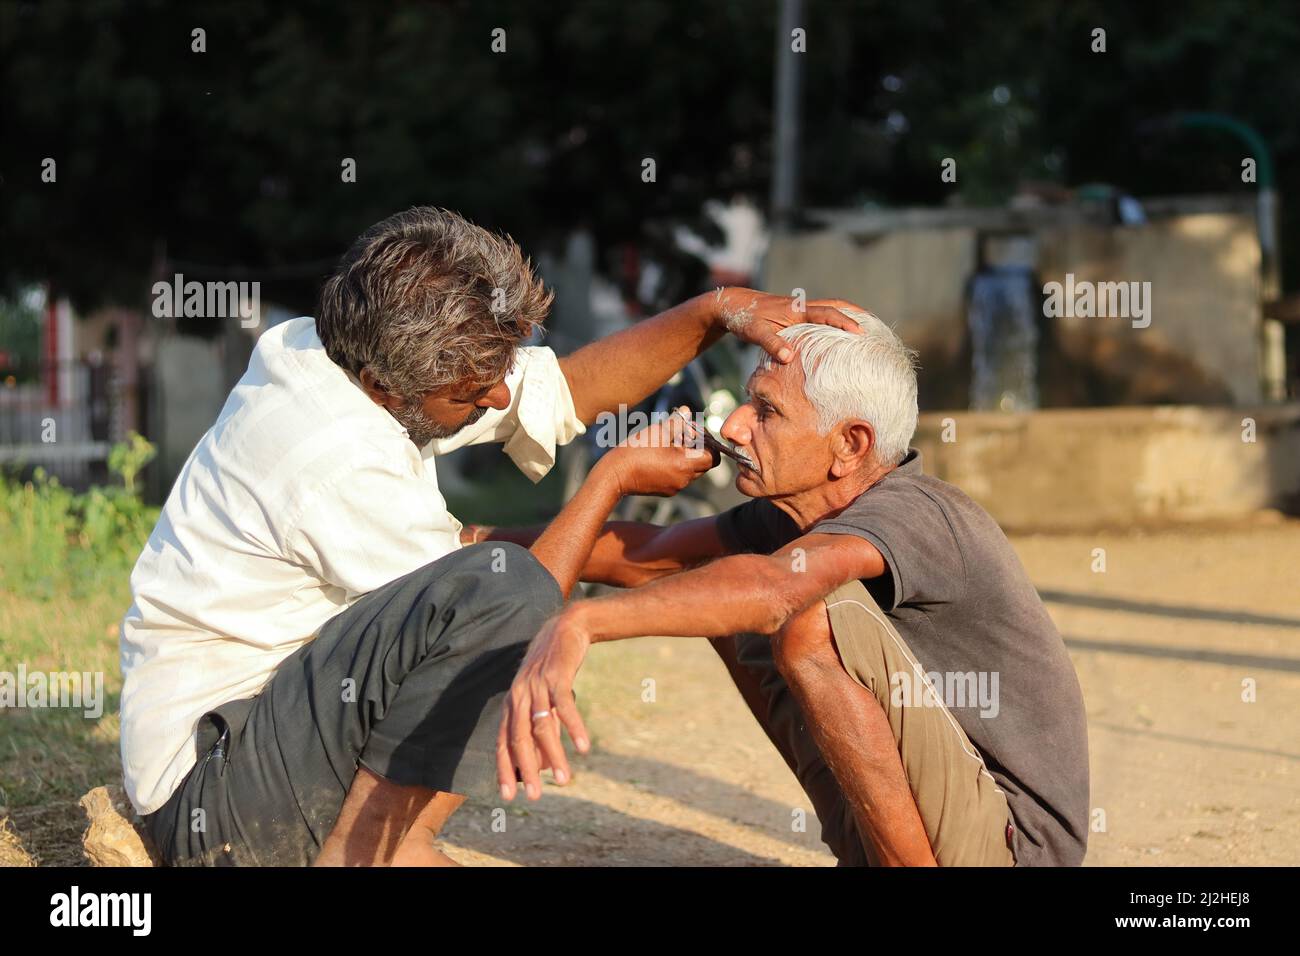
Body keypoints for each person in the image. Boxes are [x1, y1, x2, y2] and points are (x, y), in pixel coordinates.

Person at [120, 205, 860, 866]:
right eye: (472, 396)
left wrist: (714, 312)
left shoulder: (329, 349)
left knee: (502, 580)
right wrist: (610, 482)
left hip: (258, 732)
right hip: (215, 802)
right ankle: (367, 855)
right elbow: (490, 595)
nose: (498, 398)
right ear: (388, 386)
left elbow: (561, 393)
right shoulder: (333, 456)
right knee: (503, 597)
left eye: (497, 375)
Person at [492, 311, 1091, 866]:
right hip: (932, 825)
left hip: (1011, 847)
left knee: (806, 608)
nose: (733, 426)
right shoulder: (789, 518)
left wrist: (582, 622)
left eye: (766, 411)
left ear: (850, 445)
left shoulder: (918, 512)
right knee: (708, 583)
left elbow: (780, 586)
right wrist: (472, 539)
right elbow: (645, 556)